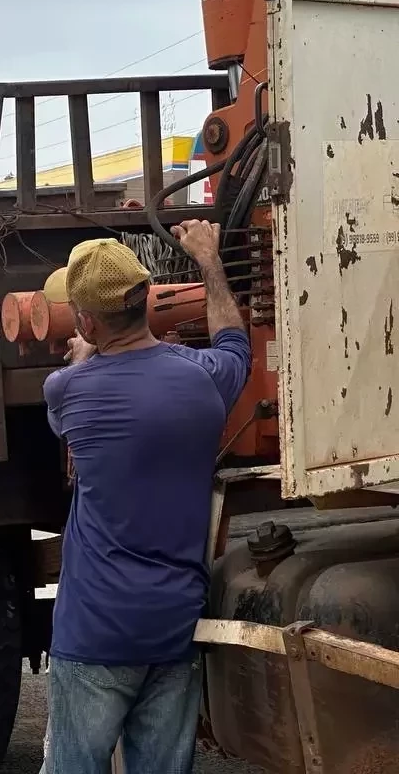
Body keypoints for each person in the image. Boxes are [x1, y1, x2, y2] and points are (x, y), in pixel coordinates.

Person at [39, 222, 250, 774]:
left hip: (94, 631)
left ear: (84, 320)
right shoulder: (206, 380)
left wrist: (86, 354)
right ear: (145, 300)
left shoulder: (67, 390)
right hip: (173, 628)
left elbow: (73, 401)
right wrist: (208, 259)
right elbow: (235, 342)